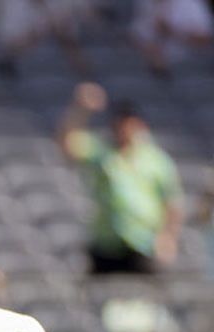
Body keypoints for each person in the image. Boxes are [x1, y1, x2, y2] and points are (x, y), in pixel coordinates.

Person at [58, 82, 183, 275]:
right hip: (107, 243)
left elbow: (172, 202)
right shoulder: (101, 152)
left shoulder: (156, 160)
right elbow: (68, 143)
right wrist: (81, 109)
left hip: (143, 243)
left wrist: (168, 237)